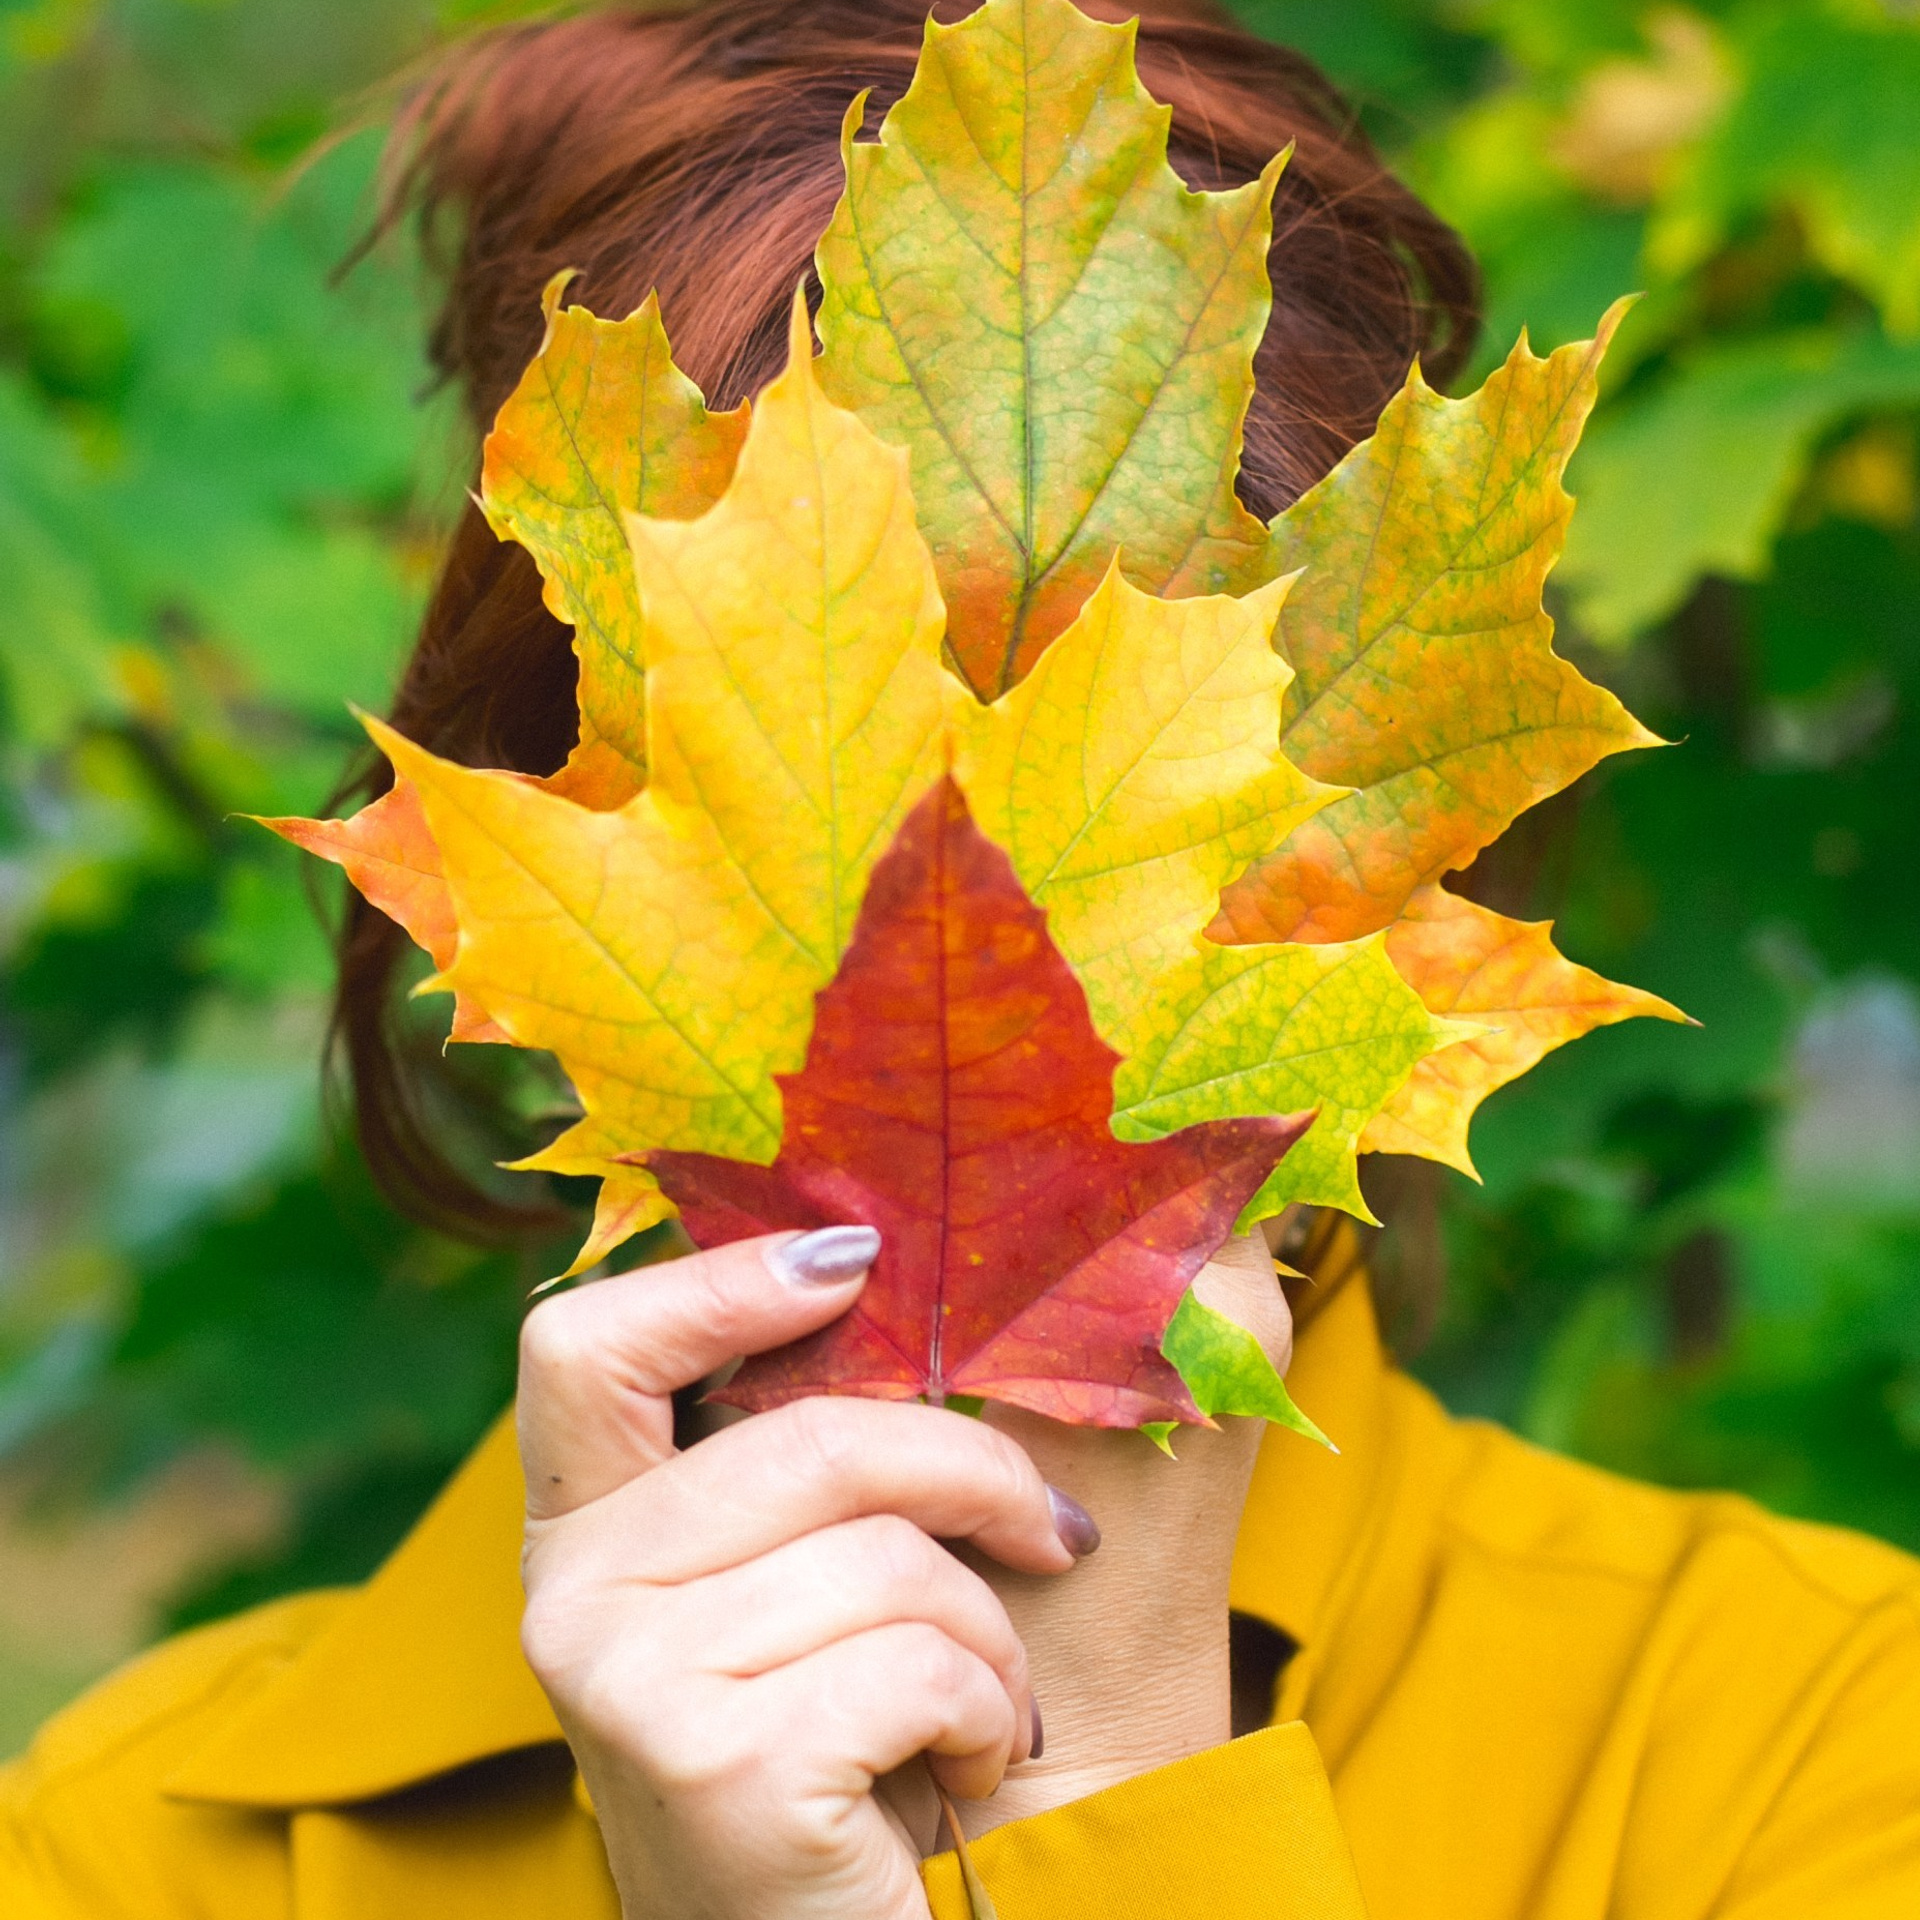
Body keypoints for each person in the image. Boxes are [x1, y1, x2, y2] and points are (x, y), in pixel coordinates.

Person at [4, 4, 1917, 1916]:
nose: (970, 954)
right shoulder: (121, 1854)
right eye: (828, 802)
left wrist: (1112, 1799)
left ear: (1438, 863)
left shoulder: (1821, 1753)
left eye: (1148, 797)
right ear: (521, 842)